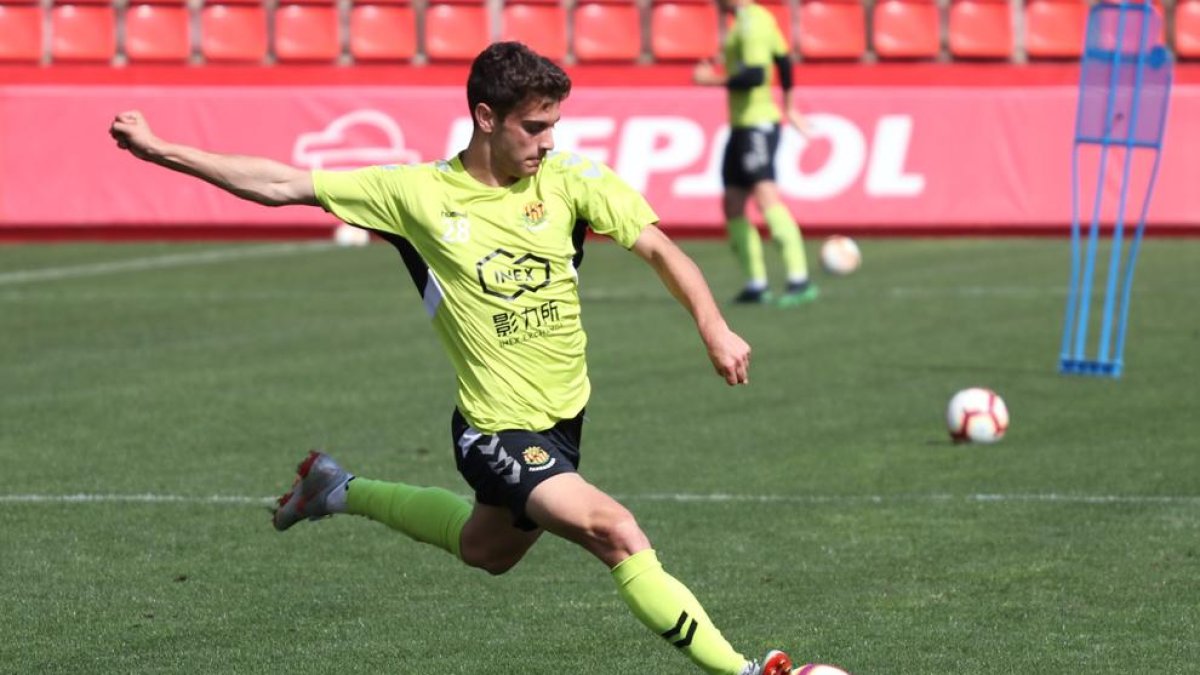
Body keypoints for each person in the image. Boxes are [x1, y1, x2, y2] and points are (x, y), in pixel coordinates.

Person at [110, 42, 805, 675]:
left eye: (555, 124)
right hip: (494, 428)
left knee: (487, 550)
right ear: (485, 118)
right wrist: (160, 150)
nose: (548, 141)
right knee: (615, 530)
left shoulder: (568, 180)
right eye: (535, 127)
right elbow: (281, 184)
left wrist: (712, 325)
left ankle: (334, 487)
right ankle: (749, 670)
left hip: (564, 417)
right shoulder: (416, 195)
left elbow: (660, 247)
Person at [694, 0, 816, 307]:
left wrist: (712, 79)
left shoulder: (751, 23)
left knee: (765, 196)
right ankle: (757, 283)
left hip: (757, 125)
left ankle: (799, 279)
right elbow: (785, 62)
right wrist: (789, 106)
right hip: (741, 126)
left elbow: (755, 77)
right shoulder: (753, 20)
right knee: (733, 202)